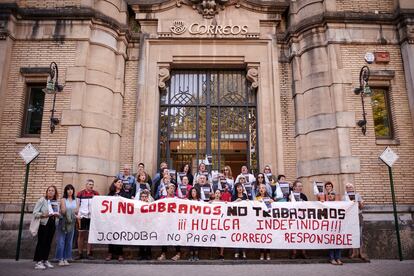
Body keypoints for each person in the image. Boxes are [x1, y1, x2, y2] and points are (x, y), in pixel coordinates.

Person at [33, 185, 60, 270]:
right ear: (47, 191)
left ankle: (45, 260)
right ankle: (38, 262)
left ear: (55, 193)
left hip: (52, 223)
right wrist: (44, 215)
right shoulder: (42, 200)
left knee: (48, 243)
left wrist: (57, 215)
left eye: (52, 191)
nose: (51, 192)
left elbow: (56, 213)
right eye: (49, 190)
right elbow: (35, 213)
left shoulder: (55, 202)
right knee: (41, 242)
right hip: (43, 224)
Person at [343, 182, 368, 260]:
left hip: (358, 216)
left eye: (350, 187)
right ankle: (354, 253)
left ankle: (362, 253)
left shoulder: (357, 195)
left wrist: (360, 203)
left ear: (353, 188)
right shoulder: (344, 197)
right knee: (351, 234)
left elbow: (361, 207)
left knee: (359, 234)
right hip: (349, 217)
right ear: (346, 189)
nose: (349, 188)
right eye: (347, 187)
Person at [76, 179, 99, 260]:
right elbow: (77, 205)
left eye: (92, 184)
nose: (91, 186)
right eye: (89, 184)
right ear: (86, 185)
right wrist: (78, 214)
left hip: (92, 217)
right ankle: (80, 253)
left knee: (90, 235)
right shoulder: (80, 193)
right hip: (82, 216)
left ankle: (89, 253)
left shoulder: (95, 193)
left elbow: (98, 205)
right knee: (81, 235)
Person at [55, 184, 78, 266]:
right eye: (68, 189)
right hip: (63, 222)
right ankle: (60, 259)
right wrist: (72, 211)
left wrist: (69, 210)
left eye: (71, 189)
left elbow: (77, 210)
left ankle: (66, 258)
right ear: (66, 191)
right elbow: (63, 211)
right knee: (61, 241)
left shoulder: (76, 200)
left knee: (69, 241)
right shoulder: (63, 199)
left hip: (72, 222)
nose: (70, 191)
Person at [158, 183, 181, 261]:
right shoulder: (163, 198)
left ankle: (178, 254)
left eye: (173, 188)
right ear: (167, 190)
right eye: (170, 188)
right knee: (164, 237)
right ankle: (163, 254)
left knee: (175, 237)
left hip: (174, 221)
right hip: (165, 221)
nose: (172, 190)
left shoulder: (177, 199)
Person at [106, 178, 126, 261]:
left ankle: (120, 254)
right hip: (112, 218)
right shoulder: (110, 194)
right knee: (111, 235)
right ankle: (110, 253)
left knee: (120, 236)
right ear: (114, 184)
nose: (120, 183)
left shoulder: (124, 194)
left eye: (121, 182)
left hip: (121, 218)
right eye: (119, 182)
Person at [323, 181, 343, 265]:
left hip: (337, 225)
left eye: (332, 194)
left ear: (335, 196)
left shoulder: (339, 204)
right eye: (329, 194)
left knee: (338, 241)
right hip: (329, 225)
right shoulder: (325, 204)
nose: (331, 195)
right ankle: (332, 258)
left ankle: (338, 258)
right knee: (331, 241)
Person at [289, 180, 309, 259]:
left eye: (301, 186)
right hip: (293, 218)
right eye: (298, 186)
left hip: (302, 218)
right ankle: (294, 252)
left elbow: (308, 206)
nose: (300, 187)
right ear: (294, 187)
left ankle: (304, 252)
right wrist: (290, 200)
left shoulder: (303, 196)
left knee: (302, 235)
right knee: (294, 235)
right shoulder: (290, 195)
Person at [255, 183, 274, 260]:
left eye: (263, 188)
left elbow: (274, 206)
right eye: (260, 188)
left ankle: (268, 254)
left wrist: (273, 202)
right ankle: (262, 254)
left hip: (268, 220)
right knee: (261, 237)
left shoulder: (269, 198)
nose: (262, 189)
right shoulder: (257, 198)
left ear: (266, 189)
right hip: (260, 220)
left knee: (268, 236)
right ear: (259, 190)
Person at [232, 182, 248, 259]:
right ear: (236, 189)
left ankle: (244, 252)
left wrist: (248, 202)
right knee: (237, 236)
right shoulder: (234, 196)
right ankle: (236, 252)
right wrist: (235, 202)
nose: (239, 188)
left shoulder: (245, 196)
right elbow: (230, 206)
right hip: (236, 220)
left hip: (244, 220)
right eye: (238, 187)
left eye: (240, 187)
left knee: (243, 236)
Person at [187, 187, 201, 261]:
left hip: (198, 223)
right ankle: (191, 254)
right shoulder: (188, 201)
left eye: (194, 191)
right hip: (190, 222)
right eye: (192, 192)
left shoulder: (200, 201)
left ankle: (196, 254)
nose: (193, 193)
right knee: (190, 238)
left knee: (197, 238)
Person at [211, 189, 225, 260]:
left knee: (221, 238)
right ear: (214, 194)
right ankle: (214, 253)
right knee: (214, 238)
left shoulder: (223, 203)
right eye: (216, 193)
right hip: (213, 223)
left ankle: (221, 254)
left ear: (220, 195)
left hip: (221, 222)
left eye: (218, 193)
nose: (217, 194)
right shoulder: (211, 203)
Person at [138, 190, 152, 260]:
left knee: (148, 239)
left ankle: (148, 254)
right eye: (142, 197)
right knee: (140, 239)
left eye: (145, 197)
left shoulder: (151, 205)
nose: (143, 198)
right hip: (140, 224)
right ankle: (141, 254)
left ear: (147, 197)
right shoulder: (137, 205)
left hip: (148, 224)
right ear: (140, 197)